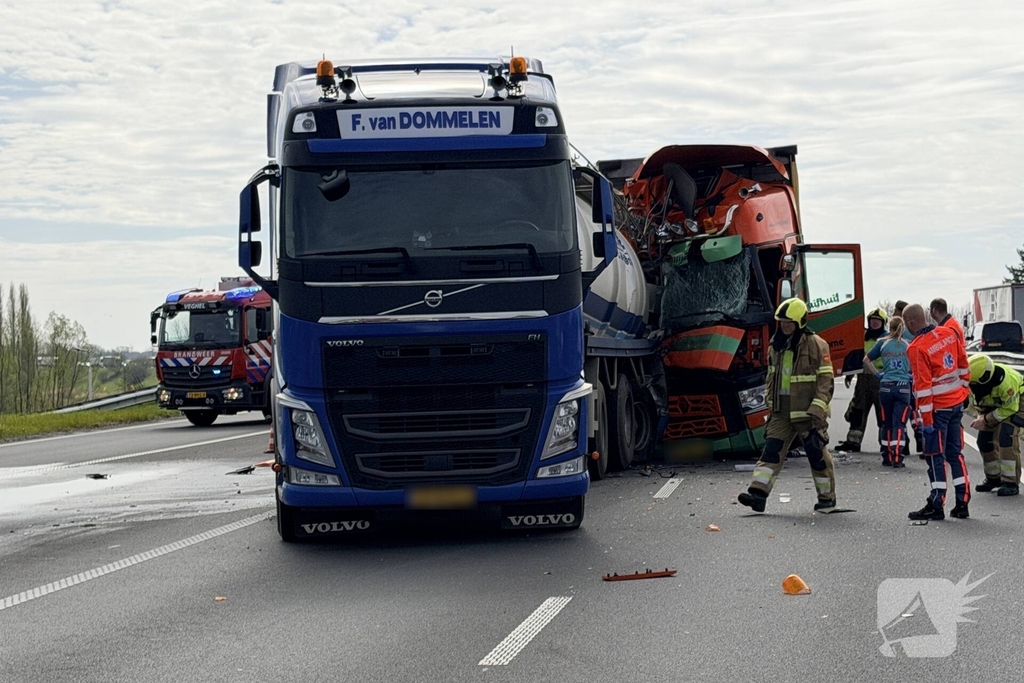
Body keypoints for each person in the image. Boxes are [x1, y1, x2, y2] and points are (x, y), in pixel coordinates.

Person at [738, 298, 837, 512]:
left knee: (816, 455)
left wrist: (818, 410)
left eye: (788, 322)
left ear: (800, 322)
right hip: (781, 412)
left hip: (808, 412)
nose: (784, 326)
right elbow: (771, 377)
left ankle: (826, 498)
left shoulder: (817, 344)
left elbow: (826, 380)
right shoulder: (776, 345)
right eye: (782, 322)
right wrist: (770, 403)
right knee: (771, 452)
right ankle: (757, 495)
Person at [903, 304, 971, 520]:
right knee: (955, 454)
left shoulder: (916, 348)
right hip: (956, 405)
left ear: (911, 322)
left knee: (935, 457)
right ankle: (962, 502)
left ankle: (936, 503)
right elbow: (963, 365)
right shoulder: (949, 333)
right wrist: (963, 391)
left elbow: (922, 387)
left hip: (938, 410)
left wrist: (926, 420)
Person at [967, 354, 1024, 497]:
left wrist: (986, 420)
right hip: (995, 406)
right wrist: (982, 418)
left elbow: (1010, 408)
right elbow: (979, 404)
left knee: (1007, 436)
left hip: (1018, 402)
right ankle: (994, 478)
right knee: (984, 441)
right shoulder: (975, 383)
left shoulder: (1006, 384)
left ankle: (1011, 482)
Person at [835, 307, 888, 453]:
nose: (874, 323)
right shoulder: (861, 337)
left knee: (882, 413)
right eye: (872, 320)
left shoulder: (887, 339)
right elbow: (856, 356)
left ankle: (886, 444)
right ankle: (853, 442)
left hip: (880, 380)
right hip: (863, 380)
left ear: (883, 322)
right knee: (858, 411)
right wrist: (849, 374)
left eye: (878, 321)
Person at [865, 316, 912, 468]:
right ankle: (898, 457)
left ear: (889, 327)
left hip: (886, 386)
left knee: (887, 423)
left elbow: (866, 360)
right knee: (900, 424)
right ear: (902, 329)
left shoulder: (882, 343)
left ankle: (886, 456)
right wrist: (910, 375)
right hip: (903, 387)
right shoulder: (908, 345)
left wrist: (878, 374)